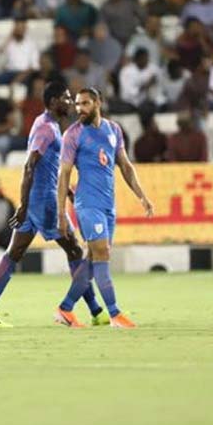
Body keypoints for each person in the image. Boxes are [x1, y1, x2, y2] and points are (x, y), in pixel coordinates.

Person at [0, 80, 108, 327]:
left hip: (38, 199)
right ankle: (95, 311)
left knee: (14, 252)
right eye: (66, 98)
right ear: (54, 101)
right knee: (75, 250)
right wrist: (24, 205)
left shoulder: (47, 124)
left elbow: (48, 167)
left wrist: (67, 192)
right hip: (44, 202)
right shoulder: (47, 129)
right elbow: (29, 166)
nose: (71, 103)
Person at [56, 88, 154, 328]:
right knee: (102, 253)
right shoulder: (73, 134)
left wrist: (142, 196)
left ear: (98, 103)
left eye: (85, 103)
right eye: (77, 104)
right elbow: (64, 174)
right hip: (87, 204)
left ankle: (65, 308)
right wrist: (61, 213)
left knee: (92, 260)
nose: (79, 109)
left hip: (108, 205)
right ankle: (114, 313)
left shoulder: (114, 130)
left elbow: (125, 166)